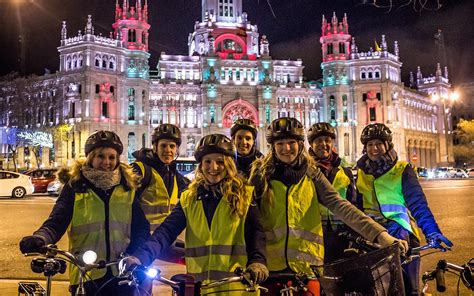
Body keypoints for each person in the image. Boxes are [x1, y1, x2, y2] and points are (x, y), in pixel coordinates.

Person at [250, 117, 406, 295]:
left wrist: (381, 235)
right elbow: (248, 222)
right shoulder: (260, 176)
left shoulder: (312, 174)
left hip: (307, 269)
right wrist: (254, 260)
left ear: (300, 144)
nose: (286, 148)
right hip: (269, 270)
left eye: (291, 142)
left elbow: (341, 206)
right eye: (281, 143)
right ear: (273, 146)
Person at [121, 134, 268, 295]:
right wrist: (141, 257)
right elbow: (166, 231)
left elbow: (256, 234)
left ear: (229, 165)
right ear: (201, 165)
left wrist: (257, 262)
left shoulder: (244, 196)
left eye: (220, 162)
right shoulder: (189, 198)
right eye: (207, 161)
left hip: (237, 287)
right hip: (200, 288)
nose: (213, 167)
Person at [19, 130, 150, 295]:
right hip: (86, 271)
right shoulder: (75, 186)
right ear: (90, 158)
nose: (106, 162)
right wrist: (40, 238)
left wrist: (135, 254)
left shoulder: (127, 188)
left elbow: (141, 228)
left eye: (112, 157)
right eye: (100, 156)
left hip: (122, 272)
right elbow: (57, 221)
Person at [356, 123, 453, 295]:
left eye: (379, 143)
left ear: (387, 145)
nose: (374, 148)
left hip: (403, 236)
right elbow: (356, 207)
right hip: (371, 237)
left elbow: (418, 204)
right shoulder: (360, 173)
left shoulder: (402, 169)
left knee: (407, 288)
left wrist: (432, 232)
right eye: (370, 144)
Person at [307, 122, 357, 263]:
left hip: (341, 236)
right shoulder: (305, 170)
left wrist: (353, 235)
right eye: (318, 141)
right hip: (314, 235)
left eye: (327, 140)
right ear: (311, 144)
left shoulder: (344, 171)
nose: (324, 144)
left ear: (333, 143)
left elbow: (352, 204)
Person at [132, 123, 190, 232]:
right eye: (163, 146)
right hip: (144, 241)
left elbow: (193, 191)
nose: (168, 150)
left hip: (166, 241)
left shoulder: (173, 174)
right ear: (155, 147)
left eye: (172, 146)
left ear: (176, 149)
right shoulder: (140, 170)